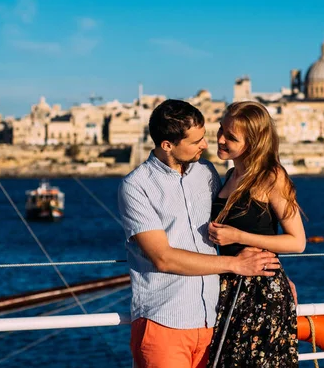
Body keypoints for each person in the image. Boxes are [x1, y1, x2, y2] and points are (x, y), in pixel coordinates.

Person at [118, 99, 281, 368]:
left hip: (213, 321)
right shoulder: (136, 187)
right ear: (167, 145)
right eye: (196, 142)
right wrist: (237, 265)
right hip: (164, 323)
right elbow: (163, 258)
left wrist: (272, 274)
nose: (206, 145)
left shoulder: (206, 172)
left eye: (204, 136)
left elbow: (235, 229)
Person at [205, 101, 306, 367]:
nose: (220, 139)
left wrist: (238, 236)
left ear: (253, 142)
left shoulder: (272, 177)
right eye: (221, 130)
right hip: (229, 287)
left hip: (261, 293)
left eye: (231, 137)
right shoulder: (228, 176)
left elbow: (297, 242)